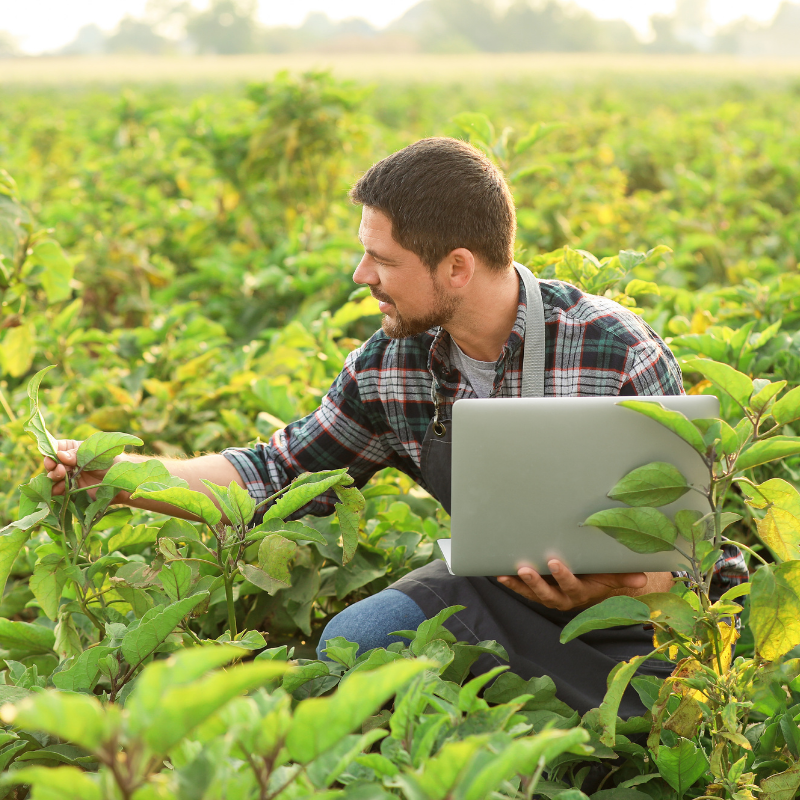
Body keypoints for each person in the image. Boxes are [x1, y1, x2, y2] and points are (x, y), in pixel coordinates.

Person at [45, 137, 746, 716]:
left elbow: (691, 562)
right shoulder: (391, 364)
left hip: (640, 620)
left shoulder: (617, 350)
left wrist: (615, 590)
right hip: (495, 595)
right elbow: (275, 474)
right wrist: (117, 476)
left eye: (382, 260)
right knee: (357, 644)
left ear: (457, 268)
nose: (360, 276)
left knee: (685, 711)